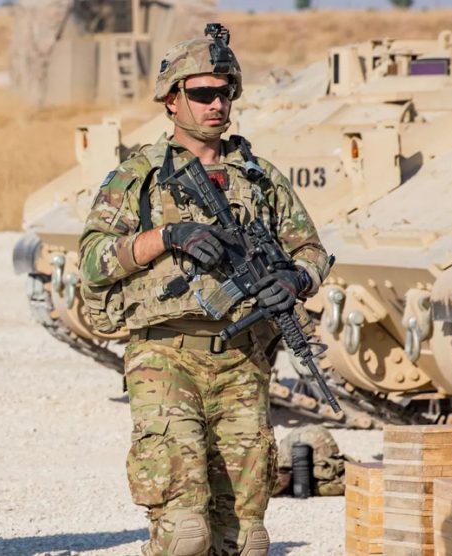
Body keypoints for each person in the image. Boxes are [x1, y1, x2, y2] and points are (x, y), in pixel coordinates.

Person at [78, 28, 332, 556]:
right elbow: (93, 260)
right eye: (202, 94)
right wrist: (165, 237)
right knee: (185, 535)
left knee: (247, 538)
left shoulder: (258, 177)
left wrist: (295, 279)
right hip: (166, 357)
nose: (217, 104)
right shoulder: (139, 176)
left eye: (225, 92)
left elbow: (310, 249)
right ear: (172, 99)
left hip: (244, 361)